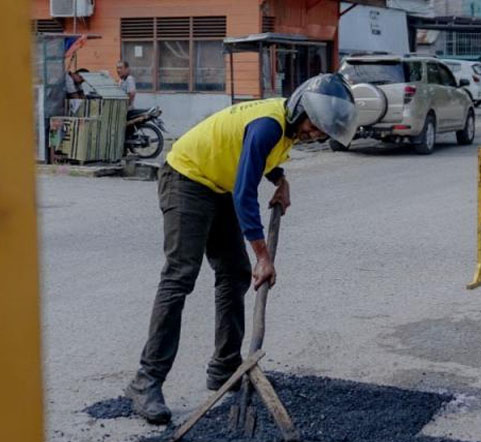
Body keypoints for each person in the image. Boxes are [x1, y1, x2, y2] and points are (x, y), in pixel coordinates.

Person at [125, 74, 359, 424]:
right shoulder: (269, 125)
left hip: (217, 184)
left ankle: (225, 367)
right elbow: (244, 195)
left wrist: (280, 179)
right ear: (300, 110)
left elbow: (254, 159)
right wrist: (263, 256)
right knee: (180, 276)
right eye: (315, 126)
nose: (316, 134)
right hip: (186, 178)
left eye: (323, 132)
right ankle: (146, 382)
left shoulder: (285, 129)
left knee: (234, 273)